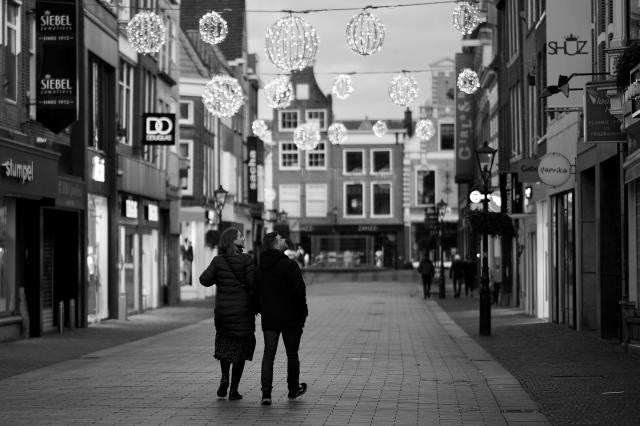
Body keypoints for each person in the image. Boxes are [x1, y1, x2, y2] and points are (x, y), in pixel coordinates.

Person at [199, 228, 256, 401]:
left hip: (223, 312)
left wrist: (219, 277)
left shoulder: (218, 261)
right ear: (233, 240)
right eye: (240, 236)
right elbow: (253, 284)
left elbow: (204, 280)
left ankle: (224, 377)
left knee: (224, 345)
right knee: (240, 349)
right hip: (242, 312)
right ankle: (234, 390)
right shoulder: (247, 260)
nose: (243, 238)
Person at [253, 231, 308, 406]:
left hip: (270, 317)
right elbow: (299, 292)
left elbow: (256, 292)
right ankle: (293, 389)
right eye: (281, 238)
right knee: (292, 354)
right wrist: (302, 313)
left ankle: (266, 394)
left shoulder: (261, 267)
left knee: (269, 354)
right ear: (276, 244)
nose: (284, 240)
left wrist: (260, 309)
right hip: (291, 317)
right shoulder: (290, 265)